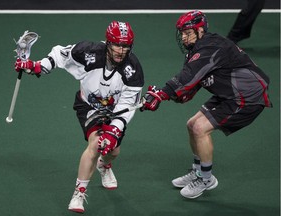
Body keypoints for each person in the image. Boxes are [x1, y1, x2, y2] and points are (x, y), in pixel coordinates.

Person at [14, 21, 144, 213]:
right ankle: (79, 193)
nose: (120, 50)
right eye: (117, 44)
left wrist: (114, 129)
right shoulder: (88, 51)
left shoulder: (133, 70)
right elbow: (59, 55)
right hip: (88, 106)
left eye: (125, 46)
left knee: (112, 151)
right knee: (96, 143)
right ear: (108, 42)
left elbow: (127, 106)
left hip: (115, 112)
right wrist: (37, 66)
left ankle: (104, 165)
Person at [141, 10, 272, 199]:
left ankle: (206, 179)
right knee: (191, 124)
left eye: (188, 33)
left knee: (200, 129)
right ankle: (198, 170)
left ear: (200, 30)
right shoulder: (197, 50)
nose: (183, 38)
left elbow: (187, 77)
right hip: (228, 93)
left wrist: (162, 94)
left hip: (247, 96)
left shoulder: (210, 46)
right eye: (182, 34)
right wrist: (173, 96)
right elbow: (191, 85)